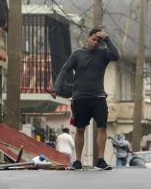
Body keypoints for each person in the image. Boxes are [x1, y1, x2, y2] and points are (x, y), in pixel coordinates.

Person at [51, 28, 120, 170]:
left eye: (99, 41)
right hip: (80, 98)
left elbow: (116, 56)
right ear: (88, 38)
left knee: (102, 126)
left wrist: (107, 39)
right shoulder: (77, 54)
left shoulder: (103, 54)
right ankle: (77, 161)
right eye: (94, 39)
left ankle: (101, 160)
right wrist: (57, 87)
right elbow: (65, 70)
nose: (96, 43)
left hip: (98, 97)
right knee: (80, 129)